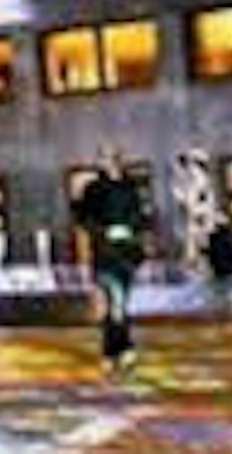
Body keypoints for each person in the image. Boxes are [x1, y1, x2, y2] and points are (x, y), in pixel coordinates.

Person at [73, 146, 146, 377]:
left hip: (127, 254)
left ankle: (113, 352)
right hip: (105, 254)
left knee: (118, 306)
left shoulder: (130, 188)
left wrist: (130, 231)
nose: (104, 161)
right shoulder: (93, 189)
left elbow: (140, 218)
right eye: (101, 157)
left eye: (108, 157)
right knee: (116, 304)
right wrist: (103, 232)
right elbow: (84, 219)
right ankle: (122, 351)